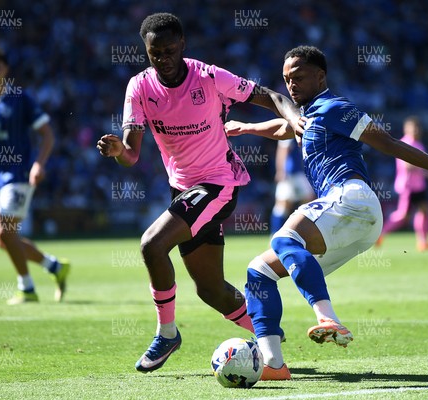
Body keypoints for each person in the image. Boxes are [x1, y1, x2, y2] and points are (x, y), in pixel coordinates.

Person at [225, 45, 428, 380]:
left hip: (353, 199)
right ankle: (274, 365)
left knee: (285, 238)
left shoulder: (336, 107)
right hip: (352, 223)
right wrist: (246, 128)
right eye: (285, 80)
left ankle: (327, 317)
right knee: (259, 272)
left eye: (298, 77)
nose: (290, 85)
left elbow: (388, 143)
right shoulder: (305, 114)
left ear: (320, 76)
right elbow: (284, 128)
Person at [96, 13, 301, 373]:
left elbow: (266, 95)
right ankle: (265, 334)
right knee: (210, 290)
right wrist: (117, 153)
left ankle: (167, 334)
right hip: (185, 191)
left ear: (183, 45)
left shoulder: (208, 76)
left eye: (170, 50)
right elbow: (131, 154)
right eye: (155, 53)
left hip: (219, 184)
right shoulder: (139, 87)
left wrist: (295, 116)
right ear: (146, 52)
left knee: (152, 245)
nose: (163, 59)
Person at [0, 46, 70, 305]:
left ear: (6, 70)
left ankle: (27, 288)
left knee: (7, 231)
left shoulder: (21, 99)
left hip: (19, 174)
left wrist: (38, 164)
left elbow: (47, 134)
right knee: (3, 239)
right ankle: (54, 266)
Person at [376, 116, 428, 251]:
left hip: (419, 185)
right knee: (403, 215)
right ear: (406, 129)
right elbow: (407, 166)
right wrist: (425, 171)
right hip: (408, 185)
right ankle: (381, 234)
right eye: (413, 128)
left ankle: (423, 242)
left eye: (418, 128)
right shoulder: (403, 143)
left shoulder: (419, 144)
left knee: (424, 211)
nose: (416, 130)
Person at [271, 138, 315, 233]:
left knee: (305, 204)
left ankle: (296, 233)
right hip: (292, 174)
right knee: (284, 205)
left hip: (299, 174)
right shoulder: (289, 129)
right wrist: (280, 171)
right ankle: (276, 234)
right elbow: (282, 150)